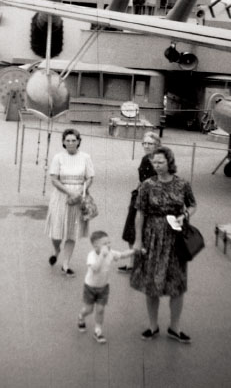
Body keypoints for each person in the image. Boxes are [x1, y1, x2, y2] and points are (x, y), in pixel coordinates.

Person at [130, 146, 197, 343]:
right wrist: (138, 240)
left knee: (177, 284)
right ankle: (153, 326)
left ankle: (175, 327)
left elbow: (192, 205)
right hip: (153, 238)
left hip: (176, 239)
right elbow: (140, 213)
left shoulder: (182, 184)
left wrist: (185, 215)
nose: (157, 166)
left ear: (170, 162)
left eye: (160, 162)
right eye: (154, 162)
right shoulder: (147, 185)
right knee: (152, 284)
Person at [45, 128, 95, 277]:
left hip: (78, 198)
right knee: (57, 232)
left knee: (72, 233)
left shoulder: (86, 157)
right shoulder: (58, 157)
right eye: (68, 140)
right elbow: (54, 179)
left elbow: (90, 177)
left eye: (74, 140)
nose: (71, 143)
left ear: (79, 141)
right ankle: (56, 250)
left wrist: (80, 192)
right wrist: (69, 192)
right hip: (61, 197)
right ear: (63, 142)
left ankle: (65, 264)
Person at [77, 230, 135, 344]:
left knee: (100, 309)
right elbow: (95, 268)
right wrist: (102, 256)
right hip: (90, 287)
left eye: (109, 243)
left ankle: (98, 331)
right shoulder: (91, 256)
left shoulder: (111, 253)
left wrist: (134, 251)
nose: (108, 245)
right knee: (88, 309)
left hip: (103, 287)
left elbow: (123, 255)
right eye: (105, 244)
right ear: (95, 246)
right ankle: (81, 316)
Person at [117, 131, 161, 274]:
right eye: (145, 143)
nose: (147, 146)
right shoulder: (144, 159)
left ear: (157, 145)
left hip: (151, 202)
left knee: (146, 233)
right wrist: (135, 191)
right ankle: (132, 264)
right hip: (138, 198)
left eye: (150, 144)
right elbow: (141, 178)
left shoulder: (160, 162)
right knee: (131, 230)